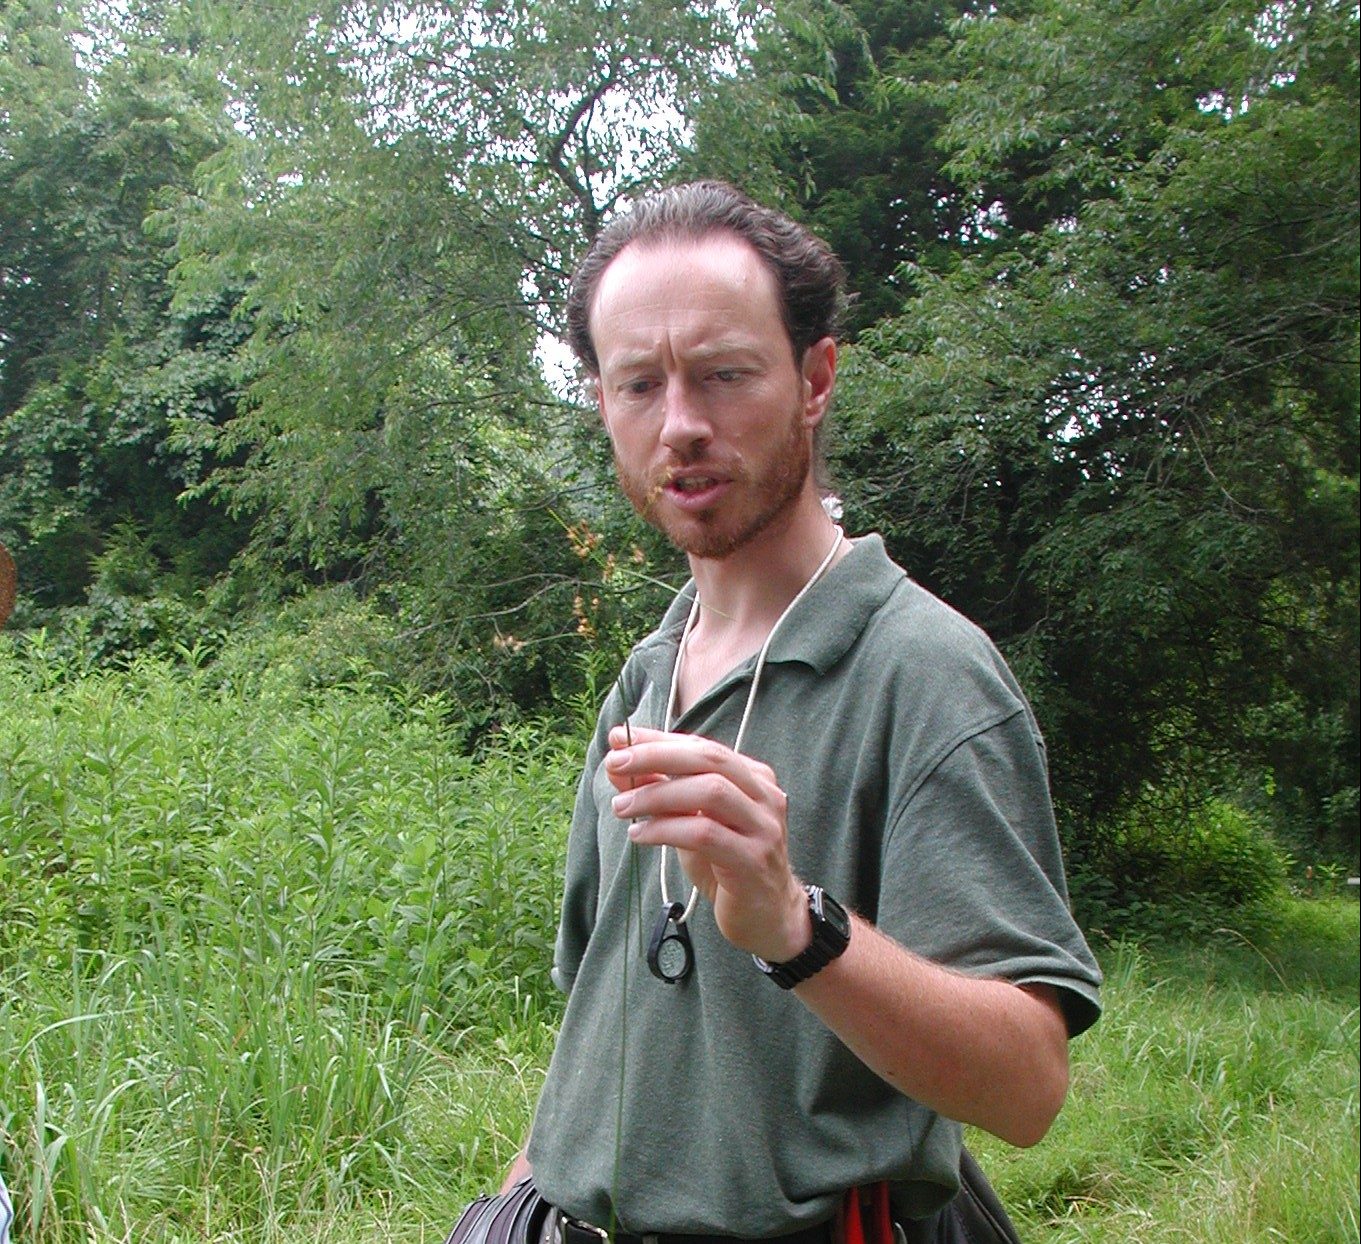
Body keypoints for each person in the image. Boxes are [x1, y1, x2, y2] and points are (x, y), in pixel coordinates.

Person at [504, 181, 1101, 1239]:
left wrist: (794, 923)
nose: (680, 424)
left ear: (813, 377)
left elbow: (1026, 1084)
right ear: (601, 402)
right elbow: (600, 1023)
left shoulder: (925, 672)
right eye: (638, 383)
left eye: (724, 374)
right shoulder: (646, 675)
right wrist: (518, 1193)